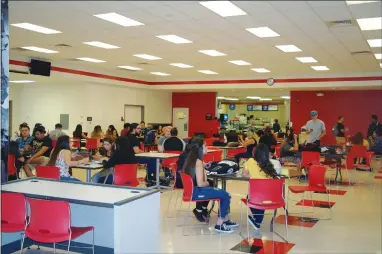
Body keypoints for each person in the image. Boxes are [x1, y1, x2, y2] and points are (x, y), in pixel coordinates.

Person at [183, 137, 239, 233]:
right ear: (200, 148)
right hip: (197, 191)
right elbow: (201, 183)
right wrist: (209, 183)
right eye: (205, 146)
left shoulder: (191, 159)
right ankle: (219, 224)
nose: (207, 148)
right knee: (226, 196)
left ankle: (225, 220)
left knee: (223, 194)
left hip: (192, 190)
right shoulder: (198, 162)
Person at [242, 143, 279, 230]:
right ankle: (257, 220)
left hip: (255, 194)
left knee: (249, 198)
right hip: (270, 196)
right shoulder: (269, 165)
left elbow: (244, 174)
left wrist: (253, 176)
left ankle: (258, 220)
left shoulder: (250, 161)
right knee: (261, 199)